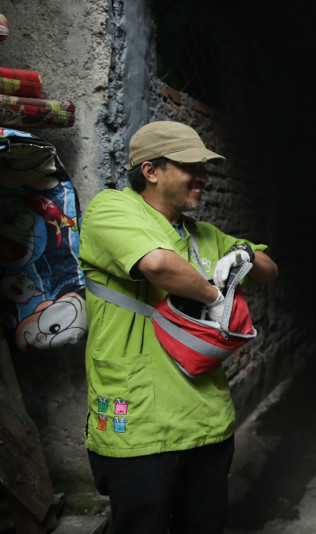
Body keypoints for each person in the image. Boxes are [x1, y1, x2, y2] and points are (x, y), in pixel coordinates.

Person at [78, 120, 279, 534]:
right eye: (191, 166)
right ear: (151, 171)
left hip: (206, 422)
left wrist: (243, 253)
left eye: (204, 167)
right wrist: (215, 297)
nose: (203, 177)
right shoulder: (110, 209)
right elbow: (157, 264)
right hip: (139, 422)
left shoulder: (203, 233)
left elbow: (269, 270)